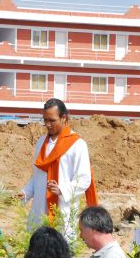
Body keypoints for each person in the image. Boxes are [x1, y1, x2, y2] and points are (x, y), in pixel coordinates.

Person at [20, 98, 98, 241]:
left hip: (62, 211)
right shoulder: (41, 142)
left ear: (63, 118)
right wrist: (24, 194)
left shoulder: (77, 144)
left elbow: (84, 179)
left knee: (62, 250)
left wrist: (61, 189)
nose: (48, 125)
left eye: (52, 120)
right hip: (39, 211)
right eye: (45, 120)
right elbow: (37, 177)